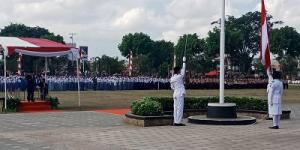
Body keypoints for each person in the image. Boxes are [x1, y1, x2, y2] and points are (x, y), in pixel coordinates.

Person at [170, 56, 186, 126]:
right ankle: (178, 122)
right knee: (179, 107)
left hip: (175, 93)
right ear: (178, 71)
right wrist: (184, 62)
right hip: (179, 93)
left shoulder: (172, 78)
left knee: (175, 107)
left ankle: (175, 120)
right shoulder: (179, 76)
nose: (180, 71)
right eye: (179, 70)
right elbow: (183, 72)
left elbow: (172, 87)